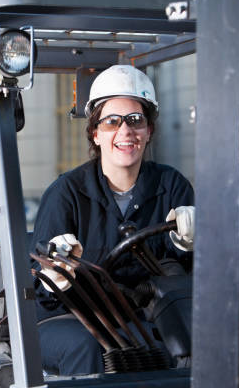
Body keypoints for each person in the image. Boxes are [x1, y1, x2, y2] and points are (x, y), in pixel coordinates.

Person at [30, 64, 194, 375]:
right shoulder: (66, 193)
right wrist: (57, 277)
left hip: (143, 317)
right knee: (94, 347)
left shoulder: (172, 186)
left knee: (194, 336)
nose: (125, 132)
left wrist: (188, 245)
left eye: (135, 120)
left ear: (149, 131)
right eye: (111, 122)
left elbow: (193, 276)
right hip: (70, 317)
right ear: (95, 132)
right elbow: (41, 286)